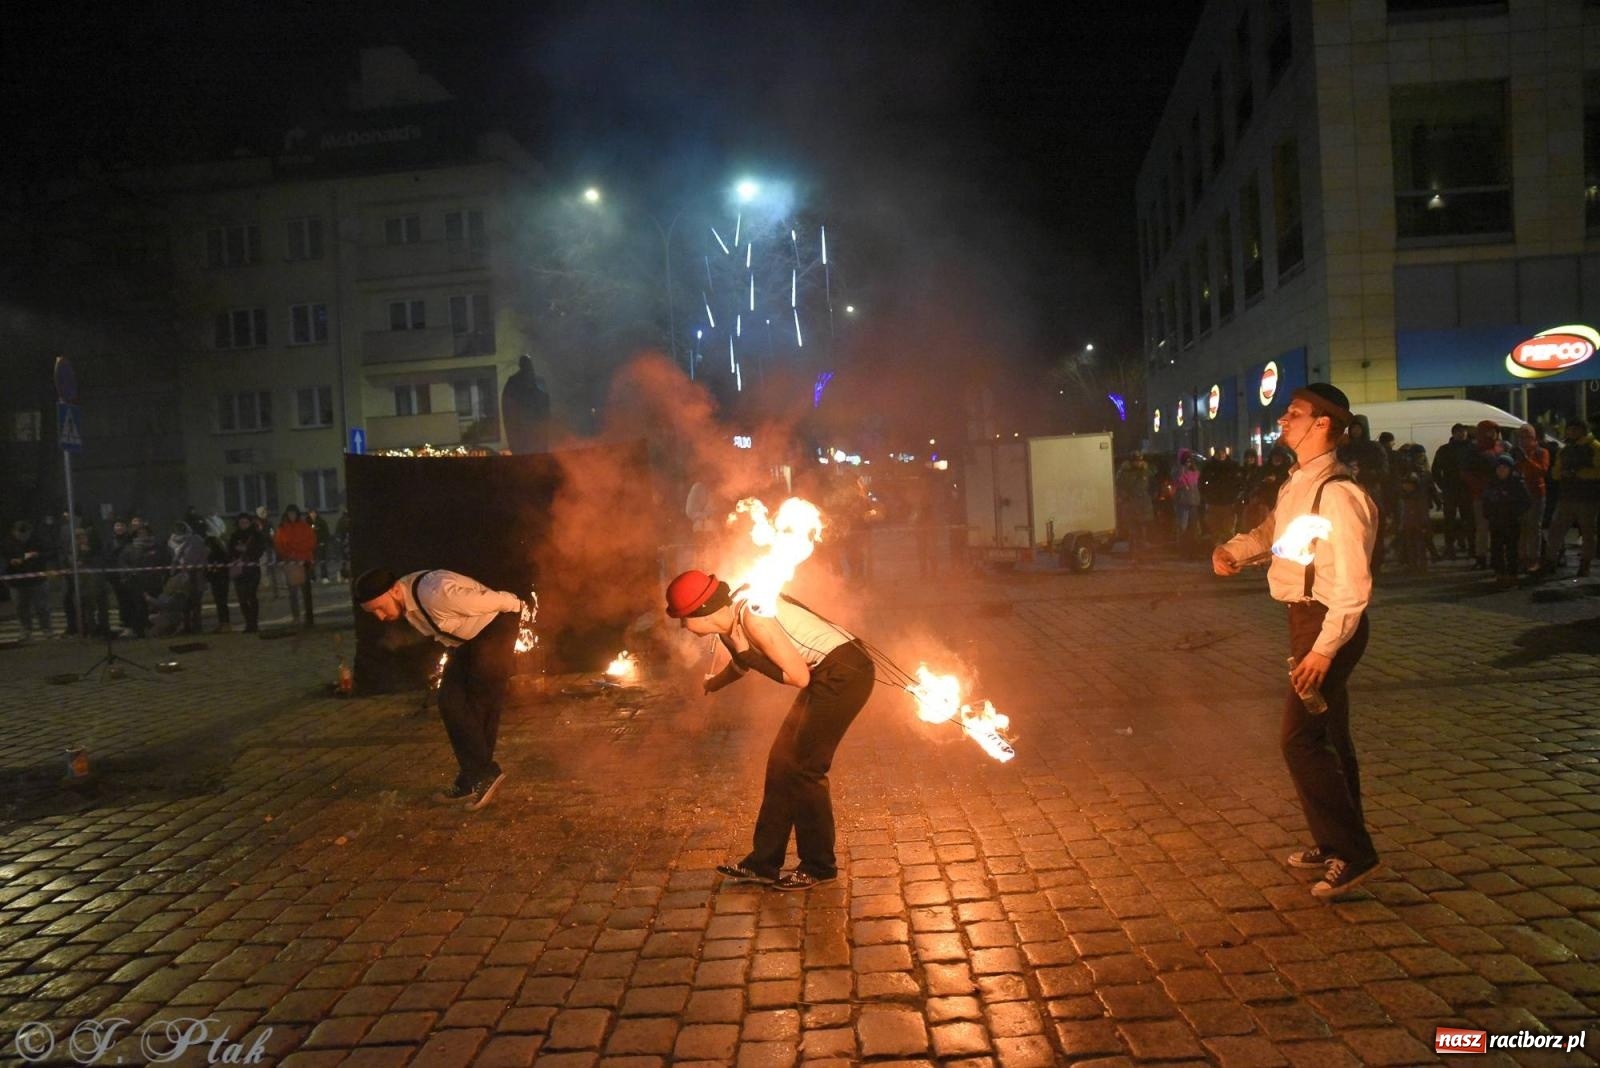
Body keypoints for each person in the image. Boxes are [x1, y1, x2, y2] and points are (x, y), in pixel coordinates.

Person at [1213, 383, 1381, 900]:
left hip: (1329, 625)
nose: (1284, 419)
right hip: (1306, 621)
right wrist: (1237, 551)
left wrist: (1324, 649)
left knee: (1299, 740)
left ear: (1323, 424)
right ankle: (1334, 842)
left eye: (1295, 413)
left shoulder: (1339, 495)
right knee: (1330, 740)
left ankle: (1352, 853)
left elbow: (1353, 589)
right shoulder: (1299, 483)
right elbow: (1276, 535)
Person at [666, 569, 875, 891]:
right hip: (827, 675)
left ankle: (819, 867)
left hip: (845, 674)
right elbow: (741, 663)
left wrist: (748, 654)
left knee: (805, 769)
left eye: (683, 618)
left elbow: (797, 677)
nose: (682, 626)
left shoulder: (754, 618)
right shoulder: (729, 624)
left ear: (702, 612)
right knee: (781, 764)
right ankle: (763, 863)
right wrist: (715, 683)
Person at [354, 567, 527, 809]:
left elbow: (492, 600)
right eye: (373, 613)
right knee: (450, 702)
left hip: (494, 631)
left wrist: (517, 604)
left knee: (480, 702)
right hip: (467, 641)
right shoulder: (408, 603)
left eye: (380, 608)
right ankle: (473, 775)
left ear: (394, 590)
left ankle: (482, 775)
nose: (380, 617)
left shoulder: (435, 593)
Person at [1540, 419, 1600, 578]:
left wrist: (1577, 473)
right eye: (1570, 430)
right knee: (1556, 530)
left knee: (1587, 532)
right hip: (1566, 496)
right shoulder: (1565, 449)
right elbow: (1555, 472)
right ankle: (1550, 561)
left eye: (1574, 429)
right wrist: (1563, 473)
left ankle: (1585, 564)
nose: (1571, 433)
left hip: (1588, 498)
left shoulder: (1594, 447)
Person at [1481, 455, 1531, 587]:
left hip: (1511, 522)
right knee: (1496, 549)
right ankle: (1500, 573)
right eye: (1499, 467)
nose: (1501, 470)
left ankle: (1512, 574)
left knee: (1511, 550)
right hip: (1496, 521)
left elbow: (1526, 501)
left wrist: (1515, 512)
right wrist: (1488, 514)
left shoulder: (1517, 483)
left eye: (1505, 467)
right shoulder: (1492, 483)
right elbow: (1486, 501)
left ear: (1510, 469)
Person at [5, 520, 54, 640]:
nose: (23, 536)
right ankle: (25, 630)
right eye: (20, 533)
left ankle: (46, 629)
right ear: (14, 532)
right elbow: (4, 557)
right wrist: (10, 562)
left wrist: (38, 555)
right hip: (17, 581)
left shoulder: (37, 540)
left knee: (42, 606)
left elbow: (51, 553)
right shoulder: (8, 543)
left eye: (25, 533)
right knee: (21, 607)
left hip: (37, 579)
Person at [1432, 424, 1474, 558]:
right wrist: (1443, 485)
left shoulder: (1472, 449)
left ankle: (1471, 546)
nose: (1461, 434)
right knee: (1449, 520)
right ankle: (1450, 547)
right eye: (1458, 432)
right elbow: (1436, 470)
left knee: (1468, 519)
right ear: (1453, 434)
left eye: (1463, 432)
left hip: (1467, 489)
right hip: (1451, 489)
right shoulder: (1445, 450)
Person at [1514, 423, 1551, 573]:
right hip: (1520, 494)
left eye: (1526, 437)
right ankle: (1521, 557)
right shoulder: (1516, 452)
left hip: (1536, 493)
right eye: (1520, 437)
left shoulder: (1541, 452)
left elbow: (1541, 470)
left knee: (1534, 527)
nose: (1523, 440)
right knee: (1522, 527)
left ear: (1533, 438)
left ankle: (1533, 559)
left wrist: (1525, 460)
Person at [274, 506, 317, 628]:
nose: (292, 516)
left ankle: (309, 618)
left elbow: (311, 542)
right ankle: (296, 617)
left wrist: (296, 551)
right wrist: (289, 554)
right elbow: (279, 545)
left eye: (293, 514)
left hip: (304, 562)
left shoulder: (304, 527)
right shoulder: (282, 529)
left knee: (306, 592)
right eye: (289, 514)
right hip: (291, 563)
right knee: (293, 593)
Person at [228, 512, 265, 633]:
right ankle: (248, 622)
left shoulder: (256, 535)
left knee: (251, 595)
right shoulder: (234, 536)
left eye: (245, 522)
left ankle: (254, 623)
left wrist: (248, 551)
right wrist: (237, 551)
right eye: (241, 523)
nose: (243, 525)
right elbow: (230, 551)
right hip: (239, 570)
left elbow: (260, 549)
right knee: (242, 598)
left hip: (252, 569)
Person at [307, 508, 333, 583]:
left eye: (314, 513)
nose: (313, 514)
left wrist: (323, 542)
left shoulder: (321, 522)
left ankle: (324, 577)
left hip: (320, 544)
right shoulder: (307, 523)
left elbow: (326, 533)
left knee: (322, 561)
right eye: (311, 513)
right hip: (311, 545)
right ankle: (312, 578)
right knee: (312, 562)